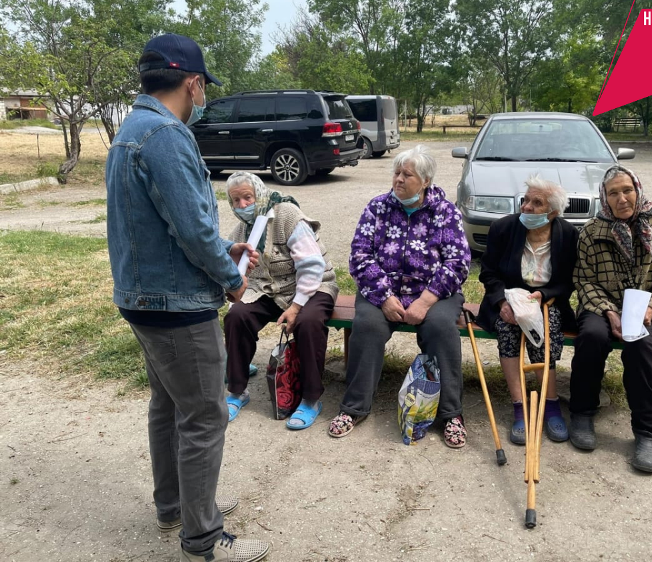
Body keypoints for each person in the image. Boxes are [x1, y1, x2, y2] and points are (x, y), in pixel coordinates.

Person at [106, 34, 270, 562]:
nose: (202, 99)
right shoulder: (165, 136)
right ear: (193, 83)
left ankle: (174, 503)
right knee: (204, 415)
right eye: (203, 89)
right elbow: (194, 232)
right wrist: (232, 276)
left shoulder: (129, 131)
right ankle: (203, 536)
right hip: (178, 307)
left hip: (143, 299)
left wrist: (227, 244)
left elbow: (165, 226)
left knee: (167, 404)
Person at [328, 145, 471, 448]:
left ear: (426, 181)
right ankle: (354, 408)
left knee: (440, 328)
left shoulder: (445, 212)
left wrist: (426, 300)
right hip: (384, 289)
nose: (399, 179)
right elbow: (360, 257)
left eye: (408, 174)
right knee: (367, 326)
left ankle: (450, 414)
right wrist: (383, 297)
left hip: (434, 292)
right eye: (396, 172)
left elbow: (457, 263)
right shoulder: (377, 208)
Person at [569, 165, 652, 474]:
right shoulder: (592, 231)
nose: (622, 198)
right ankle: (581, 413)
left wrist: (651, 308)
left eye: (627, 190)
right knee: (592, 337)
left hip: (647, 308)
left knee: (641, 344)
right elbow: (584, 280)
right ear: (604, 198)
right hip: (601, 306)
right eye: (613, 193)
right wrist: (608, 310)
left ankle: (648, 432)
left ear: (638, 189)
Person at [223, 171, 338, 429]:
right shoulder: (242, 229)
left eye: (247, 197)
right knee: (237, 317)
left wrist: (296, 307)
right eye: (236, 201)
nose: (242, 205)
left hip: (312, 284)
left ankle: (310, 399)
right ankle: (237, 390)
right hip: (270, 290)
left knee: (308, 323)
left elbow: (311, 265)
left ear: (260, 194)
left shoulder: (286, 214)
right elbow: (236, 271)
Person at [477, 175, 578, 445]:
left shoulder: (568, 235)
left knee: (545, 332)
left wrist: (543, 295)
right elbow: (488, 273)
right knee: (507, 329)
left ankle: (551, 403)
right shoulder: (503, 228)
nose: (526, 207)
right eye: (525, 200)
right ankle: (519, 407)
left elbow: (568, 283)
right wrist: (502, 302)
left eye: (536, 203)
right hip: (507, 299)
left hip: (546, 302)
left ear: (553, 212)